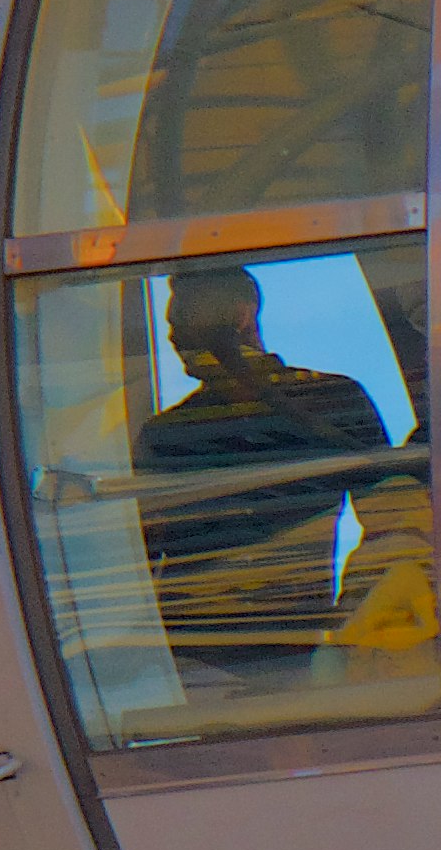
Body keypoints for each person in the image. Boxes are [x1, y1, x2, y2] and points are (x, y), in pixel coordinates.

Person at [131, 263, 391, 687]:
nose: (173, 337)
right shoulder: (331, 400)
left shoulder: (169, 434)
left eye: (182, 321)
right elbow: (391, 520)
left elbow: (391, 524)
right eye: (172, 324)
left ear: (241, 313)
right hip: (254, 657)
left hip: (211, 664)